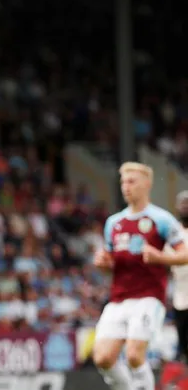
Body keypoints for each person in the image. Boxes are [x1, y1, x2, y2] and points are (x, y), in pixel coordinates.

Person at [92, 163, 188, 390]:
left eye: (132, 181)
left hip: (148, 296)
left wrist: (160, 258)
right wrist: (103, 264)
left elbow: (185, 254)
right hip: (118, 299)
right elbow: (110, 263)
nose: (126, 187)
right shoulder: (113, 223)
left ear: (147, 184)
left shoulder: (162, 219)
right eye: (123, 182)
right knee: (103, 358)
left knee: (135, 355)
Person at [173, 191, 188, 363]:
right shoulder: (173, 231)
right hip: (180, 297)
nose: (185, 206)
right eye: (183, 203)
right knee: (184, 346)